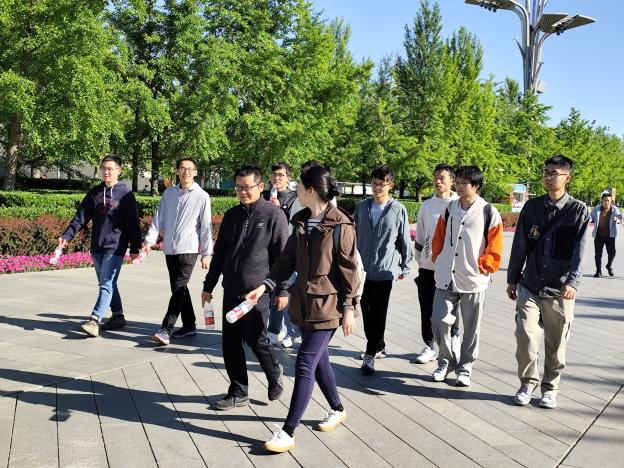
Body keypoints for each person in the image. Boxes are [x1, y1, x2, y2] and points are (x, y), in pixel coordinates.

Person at [245, 164, 359, 453]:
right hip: (304, 302)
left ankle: (288, 431)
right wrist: (265, 286)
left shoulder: (341, 225)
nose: (295, 189)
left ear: (311, 190)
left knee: (305, 363)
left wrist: (349, 307)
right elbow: (286, 260)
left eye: (299, 185)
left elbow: (350, 271)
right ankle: (337, 408)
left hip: (329, 306)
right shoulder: (301, 220)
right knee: (319, 361)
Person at [201, 165, 287, 410]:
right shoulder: (232, 215)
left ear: (261, 186)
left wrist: (282, 290)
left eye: (248, 187)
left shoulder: (274, 215)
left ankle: (274, 372)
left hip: (257, 292)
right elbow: (220, 254)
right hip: (232, 288)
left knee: (256, 339)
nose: (243, 192)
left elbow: (282, 258)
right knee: (230, 342)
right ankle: (238, 391)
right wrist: (209, 285)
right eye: (239, 187)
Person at [507, 154, 590, 409]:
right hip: (530, 284)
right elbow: (520, 245)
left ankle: (550, 388)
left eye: (554, 173)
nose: (548, 177)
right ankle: (527, 382)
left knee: (556, 344)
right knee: (526, 335)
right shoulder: (532, 208)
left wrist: (573, 282)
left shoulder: (578, 210)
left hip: (559, 289)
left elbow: (580, 251)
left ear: (567, 178)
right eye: (546, 172)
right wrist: (512, 279)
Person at [430, 166, 503, 387]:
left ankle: (465, 368)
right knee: (438, 320)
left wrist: (485, 265)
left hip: (473, 278)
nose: (459, 186)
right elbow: (439, 236)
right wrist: (438, 257)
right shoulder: (450, 208)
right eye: (458, 182)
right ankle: (445, 361)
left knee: (471, 328)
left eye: (464, 183)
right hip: (446, 275)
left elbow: (495, 244)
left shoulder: (488, 211)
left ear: (476, 186)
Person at [59, 155, 142, 337]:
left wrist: (135, 248)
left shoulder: (126, 194)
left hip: (115, 246)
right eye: (104, 168)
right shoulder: (95, 192)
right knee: (107, 283)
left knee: (106, 283)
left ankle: (94, 320)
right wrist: (67, 235)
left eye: (110, 168)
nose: (106, 172)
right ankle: (118, 316)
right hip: (97, 245)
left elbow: (132, 223)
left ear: (119, 170)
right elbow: (81, 217)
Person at [142, 157, 213, 345]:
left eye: (190, 169)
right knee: (179, 288)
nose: (186, 172)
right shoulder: (169, 193)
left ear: (195, 172)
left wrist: (207, 253)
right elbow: (159, 219)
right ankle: (189, 325)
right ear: (177, 171)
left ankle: (166, 329)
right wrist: (149, 241)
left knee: (179, 288)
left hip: (188, 249)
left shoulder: (202, 196)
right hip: (170, 248)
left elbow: (206, 226)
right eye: (182, 168)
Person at [354, 165, 413, 374]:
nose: (377, 188)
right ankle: (378, 345)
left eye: (382, 184)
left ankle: (370, 355)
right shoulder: (362, 207)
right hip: (362, 269)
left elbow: (404, 238)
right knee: (365, 310)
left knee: (378, 313)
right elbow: (352, 236)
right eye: (374, 183)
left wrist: (405, 265)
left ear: (391, 186)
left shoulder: (398, 209)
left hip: (385, 269)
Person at [412, 164, 461, 365]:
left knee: (452, 308)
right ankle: (430, 345)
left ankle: (455, 339)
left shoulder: (459, 204)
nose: (438, 182)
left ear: (452, 181)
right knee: (427, 308)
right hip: (428, 266)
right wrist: (420, 259)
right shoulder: (427, 206)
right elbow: (421, 234)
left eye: (442, 178)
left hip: (452, 268)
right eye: (435, 178)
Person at [262, 162, 302, 348]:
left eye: (281, 175)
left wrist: (280, 210)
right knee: (271, 292)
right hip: (268, 252)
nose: (277, 178)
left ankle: (291, 332)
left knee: (286, 292)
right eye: (274, 174)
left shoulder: (294, 198)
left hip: (288, 252)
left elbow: (293, 224)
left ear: (288, 178)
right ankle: (273, 331)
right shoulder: (264, 195)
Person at [589, 191, 622, 277]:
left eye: (608, 200)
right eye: (605, 200)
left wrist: (617, 220)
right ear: (602, 200)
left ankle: (609, 265)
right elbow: (591, 217)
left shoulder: (614, 209)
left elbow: (619, 218)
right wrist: (589, 220)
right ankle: (598, 271)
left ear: (611, 201)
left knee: (612, 253)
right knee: (598, 254)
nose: (606, 202)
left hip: (610, 235)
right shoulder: (597, 209)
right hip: (598, 235)